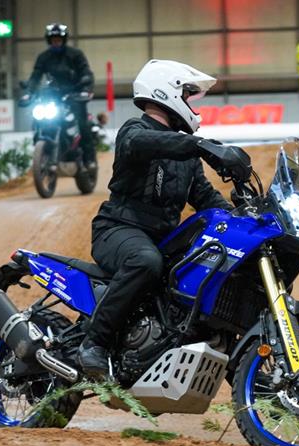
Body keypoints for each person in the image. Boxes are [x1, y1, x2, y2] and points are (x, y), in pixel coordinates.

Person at [77, 59, 249, 376]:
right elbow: (146, 143)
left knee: (198, 277)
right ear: (166, 92)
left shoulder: (187, 159)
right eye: (187, 96)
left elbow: (206, 199)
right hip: (118, 229)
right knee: (146, 261)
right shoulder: (135, 131)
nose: (190, 105)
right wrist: (200, 145)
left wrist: (244, 213)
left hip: (162, 241)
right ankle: (94, 344)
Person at [25, 23, 96, 170]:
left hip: (75, 94)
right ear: (49, 41)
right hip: (53, 96)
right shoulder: (44, 57)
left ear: (64, 40)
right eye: (53, 39)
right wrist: (28, 93)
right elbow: (35, 76)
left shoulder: (75, 54)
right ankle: (42, 152)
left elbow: (86, 72)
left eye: (58, 39)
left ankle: (89, 159)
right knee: (38, 118)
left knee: (83, 124)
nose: (56, 42)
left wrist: (85, 88)